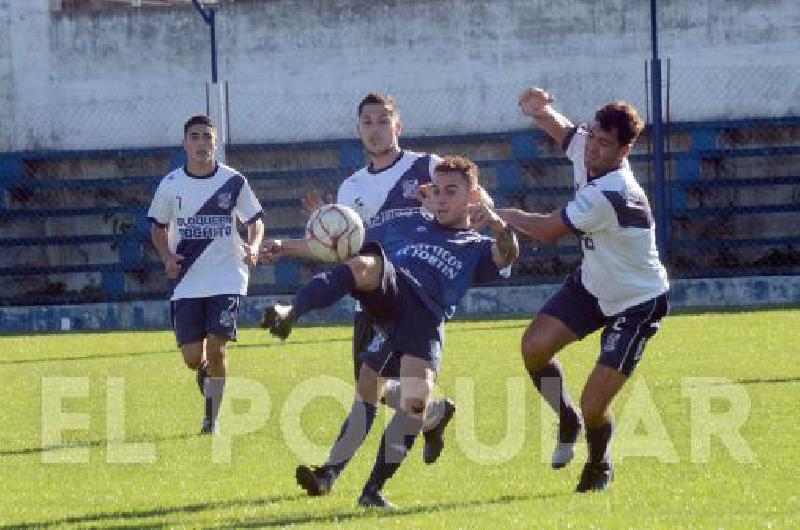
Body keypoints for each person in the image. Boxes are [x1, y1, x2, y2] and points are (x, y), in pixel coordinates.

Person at [260, 156, 518, 509]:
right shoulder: (409, 222)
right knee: (365, 263)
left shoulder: (475, 247)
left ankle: (372, 492)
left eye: (451, 192)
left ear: (472, 197)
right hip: (393, 291)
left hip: (425, 318)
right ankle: (291, 311)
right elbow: (344, 244)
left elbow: (507, 254)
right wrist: (286, 246)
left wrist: (499, 224)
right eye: (437, 191)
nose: (441, 199)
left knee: (411, 399)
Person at [496, 88, 670, 492]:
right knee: (533, 348)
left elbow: (544, 231)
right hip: (593, 284)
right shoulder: (588, 149)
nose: (591, 147)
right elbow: (565, 133)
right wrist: (540, 112)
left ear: (625, 150)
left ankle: (598, 464)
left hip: (637, 301)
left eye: (604, 143)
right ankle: (566, 418)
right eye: (592, 136)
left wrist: (497, 214)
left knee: (596, 405)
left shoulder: (612, 193)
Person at [290, 92, 457, 465]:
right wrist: (314, 234)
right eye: (367, 122)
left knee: (378, 385)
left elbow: (468, 202)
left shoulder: (427, 167)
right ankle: (433, 413)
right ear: (358, 130)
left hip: (416, 296)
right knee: (371, 386)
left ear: (399, 125)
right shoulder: (352, 188)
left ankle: (336, 474)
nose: (375, 129)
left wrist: (444, 210)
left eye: (383, 121)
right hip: (374, 296)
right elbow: (348, 250)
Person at [147, 115, 264, 434]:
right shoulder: (170, 184)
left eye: (207, 137)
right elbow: (157, 229)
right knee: (190, 356)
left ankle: (211, 421)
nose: (201, 143)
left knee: (217, 347)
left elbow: (255, 220)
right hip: (187, 279)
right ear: (185, 143)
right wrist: (167, 256)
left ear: (216, 142)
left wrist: (253, 245)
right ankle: (205, 371)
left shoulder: (234, 181)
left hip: (227, 275)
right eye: (195, 137)